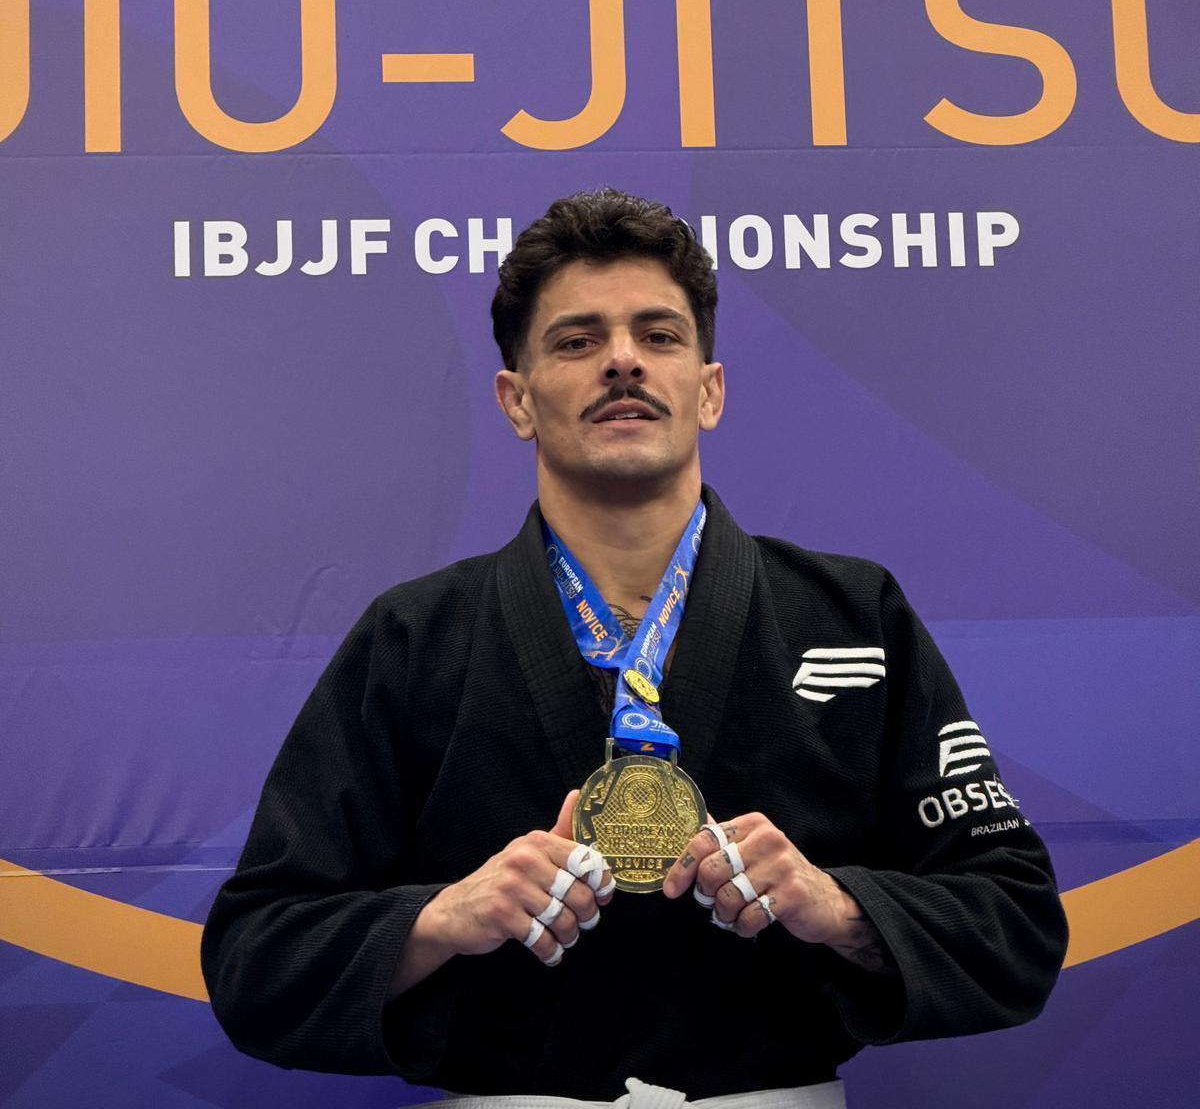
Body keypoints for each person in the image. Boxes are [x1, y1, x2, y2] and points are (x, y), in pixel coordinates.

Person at [201, 189, 1068, 1106]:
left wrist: (840, 909)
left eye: (659, 336)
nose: (622, 361)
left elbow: (1015, 924)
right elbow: (258, 955)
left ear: (709, 388)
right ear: (517, 400)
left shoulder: (851, 616)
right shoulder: (414, 638)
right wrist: (441, 918)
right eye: (577, 341)